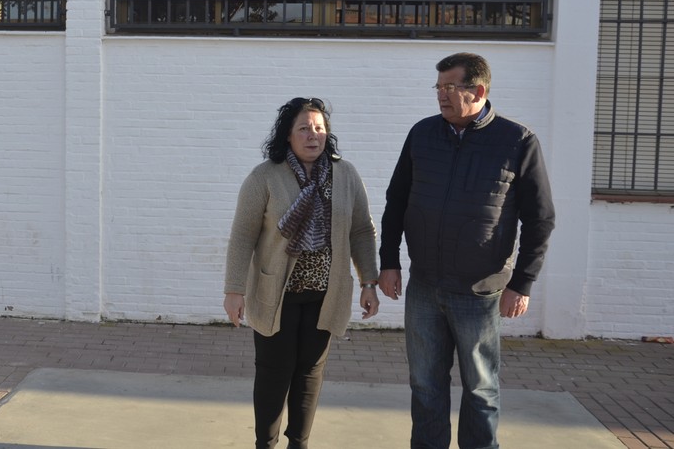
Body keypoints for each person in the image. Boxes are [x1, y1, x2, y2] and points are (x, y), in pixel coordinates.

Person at [378, 52, 556, 449]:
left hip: (479, 292)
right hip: (424, 286)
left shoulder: (517, 141)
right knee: (425, 386)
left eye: (450, 87)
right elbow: (396, 201)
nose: (441, 95)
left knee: (480, 389)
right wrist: (388, 262)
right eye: (438, 87)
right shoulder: (422, 134)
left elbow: (540, 219)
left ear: (478, 90)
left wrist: (522, 283)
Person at [224, 96, 380, 449]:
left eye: (320, 128)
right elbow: (243, 235)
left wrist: (369, 281)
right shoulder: (264, 177)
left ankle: (299, 444)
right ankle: (265, 443)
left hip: (325, 295)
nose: (314, 135)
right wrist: (234, 290)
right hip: (275, 295)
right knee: (273, 374)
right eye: (304, 128)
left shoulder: (345, 174)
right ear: (288, 135)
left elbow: (361, 231)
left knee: (310, 373)